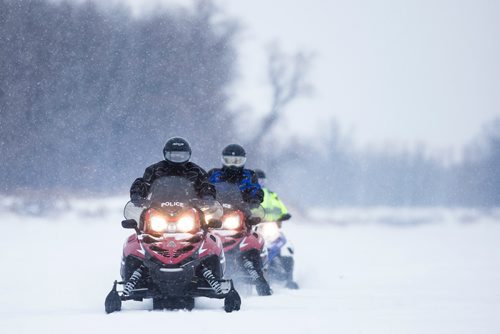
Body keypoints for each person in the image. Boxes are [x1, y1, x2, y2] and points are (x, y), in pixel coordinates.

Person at [130, 137, 216, 204]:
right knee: (144, 218)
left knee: (205, 221)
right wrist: (137, 194)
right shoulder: (155, 169)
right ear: (165, 153)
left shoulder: (196, 170)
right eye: (173, 155)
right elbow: (144, 183)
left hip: (190, 210)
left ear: (189, 154)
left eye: (181, 155)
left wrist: (208, 195)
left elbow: (206, 185)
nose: (177, 158)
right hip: (157, 209)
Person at [254, 169, 299, 290]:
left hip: (269, 226)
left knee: (284, 246)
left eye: (262, 181)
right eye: (257, 181)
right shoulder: (246, 193)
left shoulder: (271, 195)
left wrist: (284, 214)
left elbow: (281, 208)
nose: (259, 183)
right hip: (252, 226)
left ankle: (288, 277)